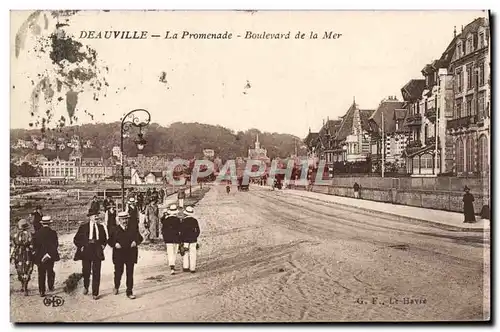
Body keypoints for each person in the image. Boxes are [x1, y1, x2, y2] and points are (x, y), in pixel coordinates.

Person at [108, 211, 143, 299]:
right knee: (118, 272)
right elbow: (109, 241)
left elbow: (140, 238)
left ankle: (129, 291)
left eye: (126, 219)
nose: (124, 221)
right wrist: (115, 244)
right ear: (119, 220)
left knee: (129, 273)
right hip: (119, 255)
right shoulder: (114, 229)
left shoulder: (133, 228)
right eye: (122, 219)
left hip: (130, 254)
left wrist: (136, 242)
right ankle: (116, 286)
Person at [73, 212, 107, 300]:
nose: (97, 217)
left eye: (97, 215)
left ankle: (95, 292)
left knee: (97, 271)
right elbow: (76, 239)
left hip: (97, 251)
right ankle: (86, 286)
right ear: (90, 217)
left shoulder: (101, 227)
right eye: (95, 216)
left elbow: (104, 239)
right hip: (87, 250)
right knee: (86, 270)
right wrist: (82, 246)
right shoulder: (83, 227)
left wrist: (103, 245)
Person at [33, 216, 60, 297]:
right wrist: (48, 254)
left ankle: (42, 291)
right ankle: (50, 286)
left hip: (40, 256)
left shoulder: (37, 233)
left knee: (41, 273)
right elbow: (55, 245)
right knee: (50, 270)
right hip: (50, 256)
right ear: (49, 224)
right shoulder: (53, 233)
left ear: (42, 223)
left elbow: (35, 246)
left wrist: (39, 254)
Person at [10, 219, 35, 296]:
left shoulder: (15, 235)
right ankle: (25, 287)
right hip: (27, 253)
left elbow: (13, 246)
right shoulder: (30, 234)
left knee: (20, 269)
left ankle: (22, 285)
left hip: (19, 254)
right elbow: (32, 245)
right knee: (27, 269)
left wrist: (11, 255)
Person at [161, 204, 181, 275]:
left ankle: (171, 266)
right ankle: (173, 265)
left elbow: (163, 230)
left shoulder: (166, 220)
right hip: (176, 238)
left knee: (170, 253)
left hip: (168, 239)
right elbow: (180, 230)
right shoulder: (178, 220)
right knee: (175, 252)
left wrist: (165, 238)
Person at [180, 206, 200, 273]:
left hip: (185, 239)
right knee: (193, 254)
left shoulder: (183, 221)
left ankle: (186, 267)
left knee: (185, 253)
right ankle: (193, 268)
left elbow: (181, 231)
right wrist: (195, 236)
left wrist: (182, 239)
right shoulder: (194, 221)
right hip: (193, 239)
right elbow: (198, 231)